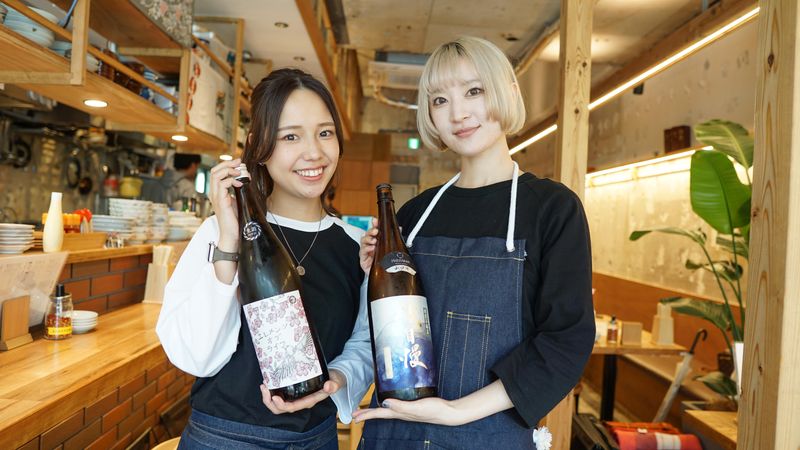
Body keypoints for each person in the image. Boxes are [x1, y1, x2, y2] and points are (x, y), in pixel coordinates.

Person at [355, 36, 596, 449]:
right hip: (397, 434)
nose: (459, 113)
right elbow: (388, 331)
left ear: (509, 92)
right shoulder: (413, 215)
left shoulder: (552, 210)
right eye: (440, 100)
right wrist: (371, 277)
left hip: (488, 436)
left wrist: (454, 412)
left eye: (474, 91)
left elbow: (565, 341)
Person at [156, 68, 373, 449]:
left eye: (325, 133)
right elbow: (195, 356)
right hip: (224, 439)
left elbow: (365, 342)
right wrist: (229, 241)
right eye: (290, 136)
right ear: (259, 146)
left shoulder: (356, 245)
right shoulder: (220, 231)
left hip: (317, 440)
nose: (314, 152)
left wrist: (337, 378)